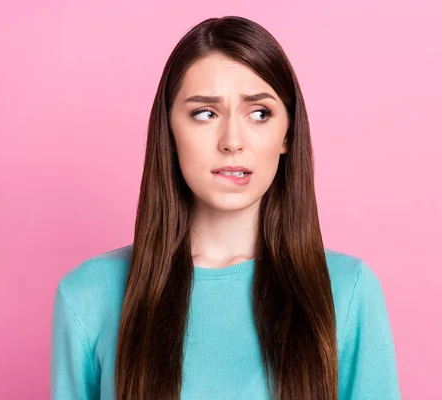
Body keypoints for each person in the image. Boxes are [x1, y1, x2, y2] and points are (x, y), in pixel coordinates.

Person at [51, 15, 401, 400]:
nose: (232, 141)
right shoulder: (87, 295)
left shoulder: (349, 291)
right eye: (205, 113)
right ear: (169, 132)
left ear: (287, 133)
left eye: (259, 113)